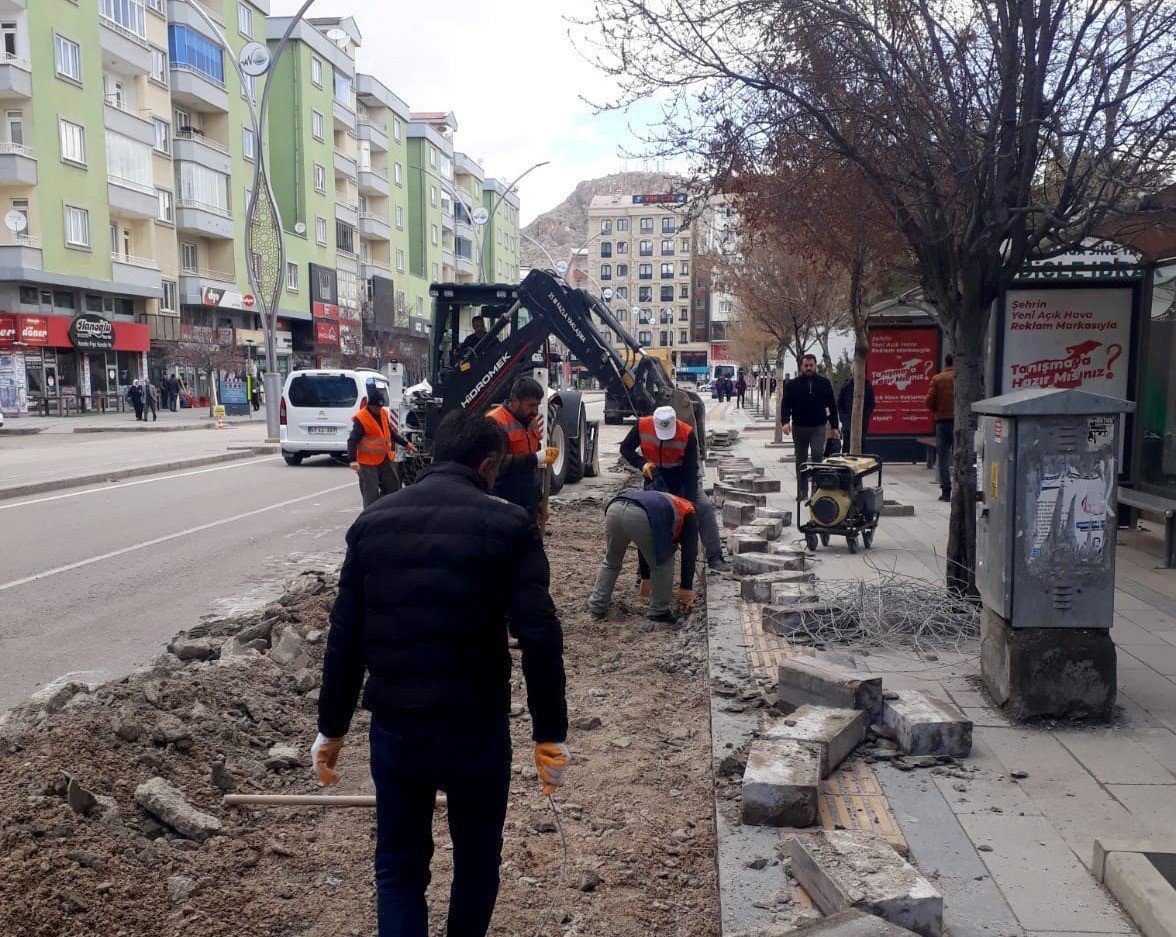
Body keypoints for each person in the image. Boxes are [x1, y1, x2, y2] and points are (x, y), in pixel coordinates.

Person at [311, 407, 569, 937]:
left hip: (397, 727)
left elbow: (345, 637)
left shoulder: (371, 525)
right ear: (488, 466)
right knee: (476, 859)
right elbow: (539, 634)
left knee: (400, 867)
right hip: (475, 727)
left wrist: (331, 727)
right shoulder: (510, 525)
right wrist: (550, 734)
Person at [620, 404, 731, 572]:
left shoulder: (686, 433)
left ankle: (715, 556)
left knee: (704, 508)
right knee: (649, 519)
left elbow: (691, 469)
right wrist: (642, 464)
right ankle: (644, 569)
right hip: (654, 480)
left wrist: (691, 501)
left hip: (681, 481)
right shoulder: (642, 426)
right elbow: (625, 448)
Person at [588, 489, 697, 623]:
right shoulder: (689, 512)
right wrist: (686, 588)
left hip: (614, 509)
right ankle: (659, 611)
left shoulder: (667, 504)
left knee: (611, 562)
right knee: (663, 563)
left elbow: (643, 544)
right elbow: (689, 553)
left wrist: (646, 578)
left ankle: (597, 606)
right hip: (640, 516)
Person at [485, 376, 558, 524]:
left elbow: (532, 471)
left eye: (537, 405)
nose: (535, 411)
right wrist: (536, 458)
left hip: (527, 499)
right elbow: (497, 463)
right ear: (515, 401)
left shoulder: (532, 421)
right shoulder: (495, 421)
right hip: (503, 499)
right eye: (531, 405)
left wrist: (538, 500)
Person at [781, 354, 840, 498]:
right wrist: (785, 422)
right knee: (800, 459)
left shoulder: (824, 383)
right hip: (799, 427)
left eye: (811, 365)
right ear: (802, 366)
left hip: (818, 426)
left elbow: (831, 404)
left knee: (817, 454)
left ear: (815, 366)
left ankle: (817, 490)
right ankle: (802, 491)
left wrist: (834, 426)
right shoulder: (793, 384)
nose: (808, 368)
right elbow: (786, 404)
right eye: (806, 365)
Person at [348, 387, 413, 509]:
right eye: (376, 407)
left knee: (393, 487)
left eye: (381, 407)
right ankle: (370, 515)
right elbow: (352, 440)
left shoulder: (383, 413)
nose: (379, 409)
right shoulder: (361, 419)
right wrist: (352, 460)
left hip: (384, 458)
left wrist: (405, 443)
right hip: (367, 462)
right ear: (370, 406)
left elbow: (391, 433)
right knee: (370, 492)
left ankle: (386, 511)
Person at [926, 354, 955, 502]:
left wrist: (938, 409)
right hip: (960, 423)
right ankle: (962, 489)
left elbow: (929, 402)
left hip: (943, 422)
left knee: (943, 457)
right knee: (963, 456)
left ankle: (946, 491)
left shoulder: (938, 379)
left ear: (945, 362)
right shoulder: (963, 380)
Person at [837, 377, 876, 452]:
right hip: (848, 420)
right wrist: (843, 417)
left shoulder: (867, 385)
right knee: (847, 443)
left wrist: (865, 416)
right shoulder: (846, 386)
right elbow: (839, 403)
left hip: (862, 420)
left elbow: (871, 403)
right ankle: (846, 460)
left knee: (861, 443)